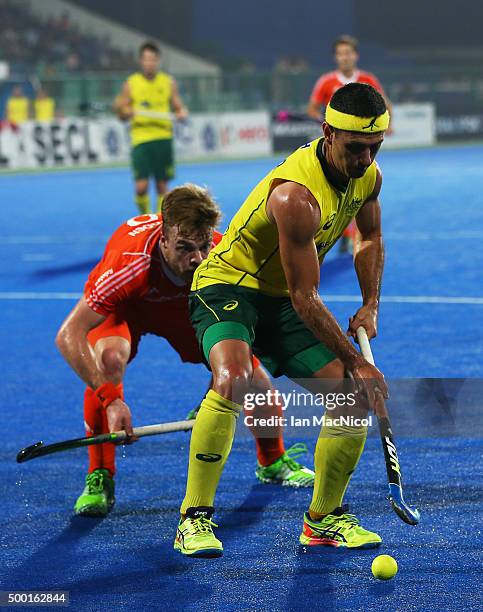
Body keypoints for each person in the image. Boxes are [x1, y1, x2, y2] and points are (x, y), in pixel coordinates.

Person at [175, 83, 390, 558]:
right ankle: (194, 518)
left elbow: (370, 238)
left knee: (351, 402)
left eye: (375, 147)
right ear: (327, 132)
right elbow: (305, 296)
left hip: (282, 297)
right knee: (232, 379)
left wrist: (370, 302)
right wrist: (356, 360)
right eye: (356, 148)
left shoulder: (368, 175)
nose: (365, 159)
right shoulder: (296, 196)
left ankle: (323, 520)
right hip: (230, 285)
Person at [55, 184, 314, 518]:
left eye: (204, 244)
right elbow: (69, 334)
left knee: (253, 380)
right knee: (108, 359)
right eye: (184, 248)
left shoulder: (221, 257)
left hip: (191, 307)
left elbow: (248, 336)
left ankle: (273, 461)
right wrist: (110, 398)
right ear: (163, 239)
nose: (198, 258)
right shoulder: (128, 262)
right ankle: (100, 475)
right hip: (131, 308)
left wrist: (213, 402)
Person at [307, 35, 392, 253]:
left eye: (349, 53)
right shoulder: (326, 82)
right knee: (335, 190)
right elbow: (313, 109)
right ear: (336, 57)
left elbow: (384, 104)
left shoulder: (367, 79)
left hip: (363, 146)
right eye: (341, 53)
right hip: (336, 149)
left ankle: (352, 231)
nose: (345, 57)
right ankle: (342, 231)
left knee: (360, 189)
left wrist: (385, 124)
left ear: (356, 55)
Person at [114, 41, 188, 215]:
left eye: (153, 59)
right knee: (141, 187)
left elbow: (178, 106)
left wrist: (181, 112)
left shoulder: (168, 82)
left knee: (162, 186)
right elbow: (120, 113)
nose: (150, 63)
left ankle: (159, 221)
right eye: (146, 59)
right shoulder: (131, 84)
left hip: (163, 138)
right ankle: (145, 217)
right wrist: (126, 112)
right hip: (141, 140)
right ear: (141, 61)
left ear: (158, 61)